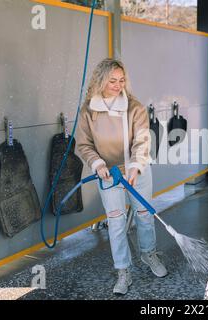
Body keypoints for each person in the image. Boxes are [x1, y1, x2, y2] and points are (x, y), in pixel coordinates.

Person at [75, 58, 168, 295]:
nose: (118, 85)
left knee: (144, 215)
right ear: (101, 81)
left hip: (137, 170)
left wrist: (135, 167)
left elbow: (142, 140)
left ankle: (148, 254)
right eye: (112, 81)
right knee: (116, 223)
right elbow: (84, 144)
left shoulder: (134, 107)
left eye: (122, 80)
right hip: (109, 175)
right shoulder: (88, 111)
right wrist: (97, 164)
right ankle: (123, 270)